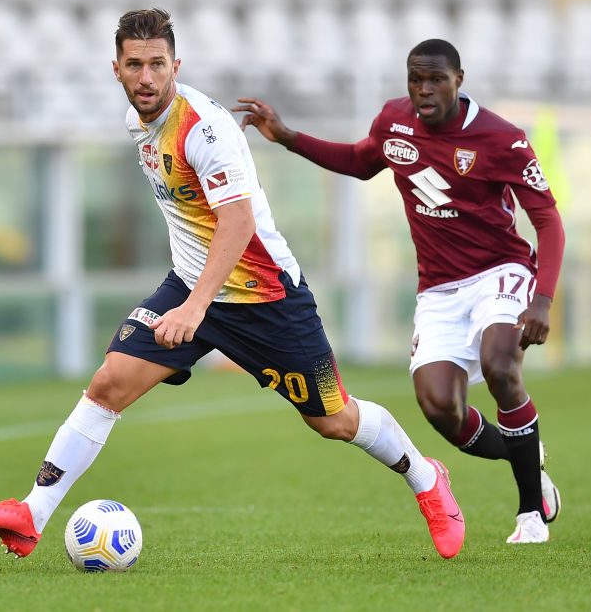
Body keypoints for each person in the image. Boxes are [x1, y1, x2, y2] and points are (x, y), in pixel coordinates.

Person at [0, 9, 464, 561]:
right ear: (116, 69)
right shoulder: (139, 120)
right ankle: (31, 516)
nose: (147, 77)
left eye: (158, 64)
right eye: (135, 65)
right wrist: (191, 299)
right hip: (191, 283)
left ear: (176, 65)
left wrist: (194, 310)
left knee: (334, 419)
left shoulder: (204, 128)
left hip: (264, 297)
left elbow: (238, 222)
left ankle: (426, 478)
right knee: (110, 383)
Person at [233, 39, 566, 544]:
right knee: (440, 410)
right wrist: (286, 136)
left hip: (501, 271)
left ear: (460, 78)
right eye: (416, 79)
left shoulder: (502, 138)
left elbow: (547, 220)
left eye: (436, 79)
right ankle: (526, 455)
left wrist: (541, 299)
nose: (424, 89)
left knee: (501, 365)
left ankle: (530, 515)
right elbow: (360, 162)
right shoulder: (394, 121)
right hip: (438, 290)